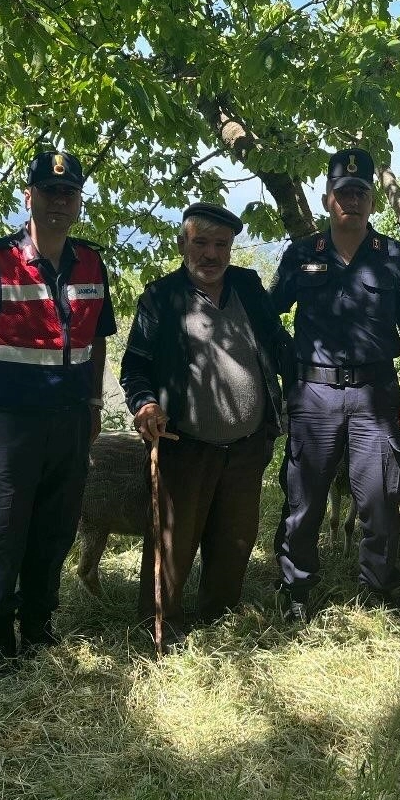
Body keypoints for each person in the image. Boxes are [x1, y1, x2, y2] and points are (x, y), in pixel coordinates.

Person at [0, 149, 116, 675]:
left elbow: (97, 342)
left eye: (69, 193)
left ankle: (39, 625)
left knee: (56, 528)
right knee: (4, 529)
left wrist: (92, 404)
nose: (60, 202)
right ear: (30, 197)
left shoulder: (91, 262)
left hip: (68, 421)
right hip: (7, 424)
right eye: (50, 192)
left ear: (78, 201)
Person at [120, 202, 292, 642]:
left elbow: (276, 341)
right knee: (172, 545)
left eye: (221, 244)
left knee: (235, 541)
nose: (212, 254)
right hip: (184, 443)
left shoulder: (248, 286)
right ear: (183, 244)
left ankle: (219, 617)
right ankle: (162, 626)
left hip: (248, 444)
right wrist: (144, 404)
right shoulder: (161, 297)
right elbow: (134, 366)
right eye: (201, 243)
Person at [271, 148, 400, 620]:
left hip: (375, 394)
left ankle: (377, 586)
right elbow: (267, 315)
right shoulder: (302, 254)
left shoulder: (392, 257)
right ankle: (296, 589)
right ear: (327, 200)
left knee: (380, 495)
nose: (351, 202)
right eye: (343, 194)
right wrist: (288, 365)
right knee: (304, 497)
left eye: (360, 194)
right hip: (313, 394)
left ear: (372, 202)